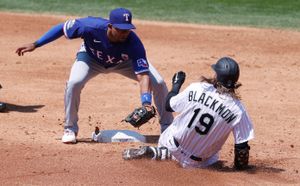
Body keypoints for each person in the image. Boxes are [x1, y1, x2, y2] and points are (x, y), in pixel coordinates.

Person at [15, 8, 173, 144]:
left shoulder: (134, 43)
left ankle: (167, 128)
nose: (125, 33)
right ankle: (70, 129)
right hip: (90, 59)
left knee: (158, 82)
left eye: (128, 29)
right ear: (110, 26)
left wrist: (146, 102)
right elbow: (62, 28)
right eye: (121, 29)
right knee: (74, 83)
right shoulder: (89, 26)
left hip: (124, 63)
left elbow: (143, 74)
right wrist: (36, 44)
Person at [123, 57, 254, 170]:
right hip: (198, 163)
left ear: (217, 76)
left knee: (174, 138)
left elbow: (168, 105)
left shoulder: (198, 88)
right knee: (216, 162)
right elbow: (241, 149)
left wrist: (176, 85)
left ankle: (161, 154)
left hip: (170, 143)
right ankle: (165, 156)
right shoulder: (238, 110)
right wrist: (239, 169)